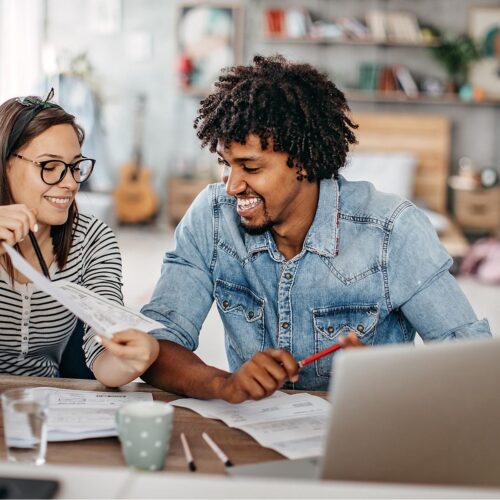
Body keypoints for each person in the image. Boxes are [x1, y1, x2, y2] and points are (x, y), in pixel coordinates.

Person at [141, 55, 491, 402]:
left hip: (367, 433)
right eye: (224, 163)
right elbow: (155, 344)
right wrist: (224, 385)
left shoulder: (392, 232)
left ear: (304, 163)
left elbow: (474, 366)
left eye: (250, 167)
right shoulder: (212, 217)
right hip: (254, 436)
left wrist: (391, 377)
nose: (231, 186)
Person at [0, 90, 158, 386]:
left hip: (46, 405)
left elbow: (104, 358)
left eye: (74, 167)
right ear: (5, 163)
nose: (71, 183)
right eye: (50, 167)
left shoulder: (92, 239)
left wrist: (135, 358)